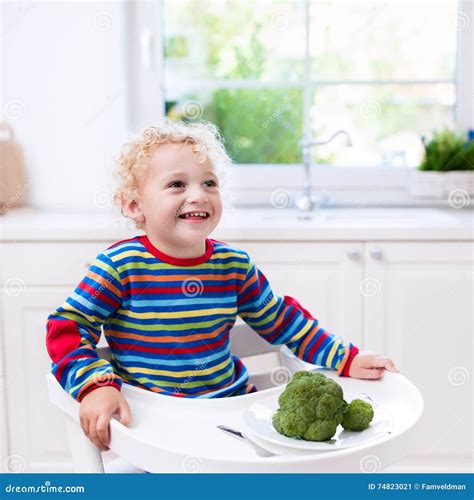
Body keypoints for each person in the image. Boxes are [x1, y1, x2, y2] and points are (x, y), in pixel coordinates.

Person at [45, 120, 399, 451]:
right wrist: (94, 386)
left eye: (209, 183)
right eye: (177, 184)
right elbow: (67, 328)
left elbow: (283, 321)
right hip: (156, 421)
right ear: (135, 205)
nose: (198, 195)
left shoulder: (233, 265)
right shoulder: (120, 267)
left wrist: (346, 357)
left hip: (231, 412)